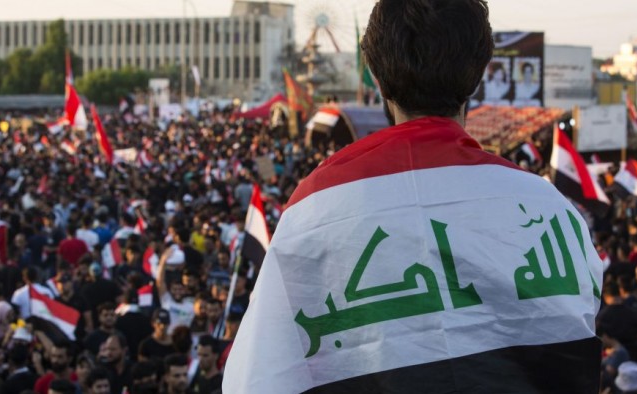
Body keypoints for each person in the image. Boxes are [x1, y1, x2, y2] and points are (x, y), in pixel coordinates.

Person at [224, 0, 603, 392]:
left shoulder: (315, 207)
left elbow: (259, 377)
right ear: (479, 71)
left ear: (375, 74)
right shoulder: (548, 208)